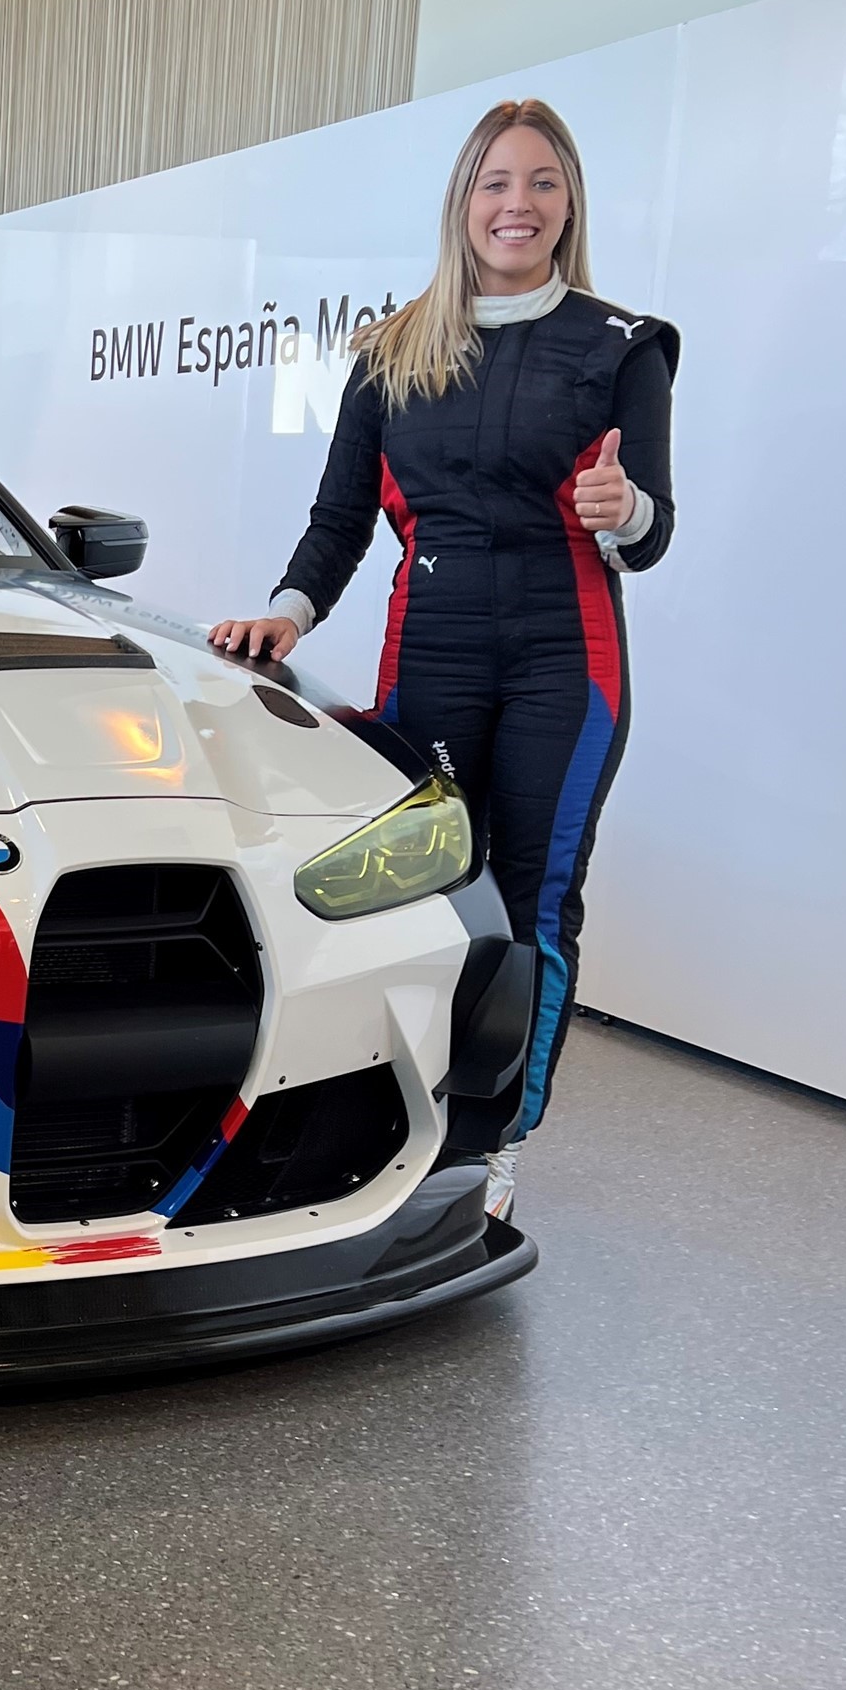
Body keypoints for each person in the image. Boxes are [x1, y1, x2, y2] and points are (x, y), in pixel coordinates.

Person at [209, 99, 677, 1219]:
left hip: (568, 660)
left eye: (543, 183)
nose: (519, 205)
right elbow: (340, 519)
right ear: (463, 203)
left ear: (570, 204)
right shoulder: (392, 349)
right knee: (416, 894)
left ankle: (495, 1143)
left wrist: (625, 511)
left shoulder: (624, 346)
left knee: (535, 899)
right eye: (496, 183)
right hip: (433, 655)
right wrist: (288, 614)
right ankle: (387, 1121)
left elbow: (652, 533)